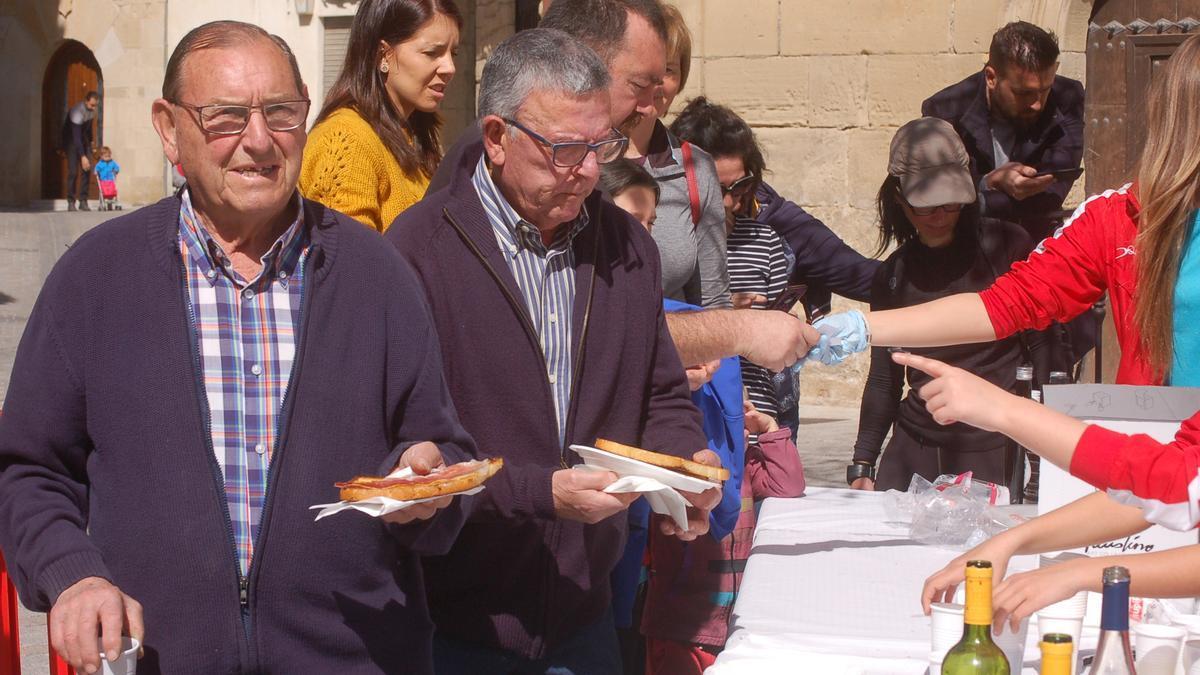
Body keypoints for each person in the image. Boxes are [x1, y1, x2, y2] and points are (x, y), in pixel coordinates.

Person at [0, 21, 476, 674]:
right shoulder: (94, 277)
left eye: (280, 113)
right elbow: (28, 469)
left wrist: (430, 482)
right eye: (225, 117)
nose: (258, 141)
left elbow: (445, 454)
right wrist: (72, 572)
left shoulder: (379, 274)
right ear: (169, 130)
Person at [385, 28, 722, 674]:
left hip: (583, 618)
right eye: (567, 149)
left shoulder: (628, 246)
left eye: (602, 145)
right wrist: (540, 492)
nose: (592, 170)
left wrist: (687, 458)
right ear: (496, 137)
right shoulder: (416, 253)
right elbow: (406, 458)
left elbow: (657, 389)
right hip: (453, 629)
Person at [430, 0, 819, 378]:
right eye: (639, 85)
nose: (650, 105)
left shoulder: (601, 188)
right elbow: (561, 334)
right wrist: (741, 331)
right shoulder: (490, 163)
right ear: (583, 67)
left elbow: (615, 331)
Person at [602, 157, 743, 674]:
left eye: (650, 224)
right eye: (626, 220)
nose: (641, 237)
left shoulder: (679, 316)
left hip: (656, 539)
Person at [845, 118, 1034, 491]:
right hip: (915, 443)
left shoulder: (1008, 247)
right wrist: (863, 461)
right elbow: (885, 378)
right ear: (900, 200)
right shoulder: (893, 275)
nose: (940, 215)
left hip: (993, 443)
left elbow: (1045, 351)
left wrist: (1042, 460)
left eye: (951, 204)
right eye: (925, 207)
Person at [641, 401, 805, 675]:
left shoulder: (749, 464)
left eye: (738, 423)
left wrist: (770, 429)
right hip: (681, 622)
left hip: (734, 620)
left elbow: (787, 485)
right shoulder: (678, 469)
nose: (730, 433)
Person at [301, 0, 460, 231]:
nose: (450, 67)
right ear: (383, 54)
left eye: (452, 53)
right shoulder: (345, 141)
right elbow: (348, 259)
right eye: (432, 53)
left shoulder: (415, 133)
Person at [922, 21, 1083, 242]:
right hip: (969, 246)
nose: (1037, 104)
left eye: (1044, 90)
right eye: (1024, 93)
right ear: (991, 78)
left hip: (1034, 243)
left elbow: (1054, 187)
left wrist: (982, 197)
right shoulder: (946, 110)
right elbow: (939, 197)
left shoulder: (1067, 98)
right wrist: (988, 183)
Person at [623, 3, 730, 308]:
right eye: (645, 67)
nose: (656, 83)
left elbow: (713, 298)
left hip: (674, 350)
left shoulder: (695, 168)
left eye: (668, 70)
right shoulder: (582, 160)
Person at [61, 91, 99, 211]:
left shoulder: (91, 111)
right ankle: (71, 201)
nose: (93, 108)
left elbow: (88, 130)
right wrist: (82, 156)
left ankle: (83, 200)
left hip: (84, 142)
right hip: (72, 143)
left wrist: (92, 144)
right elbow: (76, 137)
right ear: (86, 101)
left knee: (87, 170)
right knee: (73, 172)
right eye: (92, 105)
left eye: (95, 105)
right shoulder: (77, 111)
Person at [94, 146, 121, 211]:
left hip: (111, 180)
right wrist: (96, 172)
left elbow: (117, 167)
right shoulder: (100, 164)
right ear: (102, 156)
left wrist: (116, 170)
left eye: (109, 156)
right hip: (103, 181)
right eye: (106, 157)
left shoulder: (112, 163)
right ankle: (102, 203)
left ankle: (110, 204)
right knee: (103, 192)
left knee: (111, 192)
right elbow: (96, 168)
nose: (108, 158)